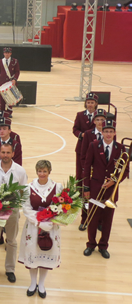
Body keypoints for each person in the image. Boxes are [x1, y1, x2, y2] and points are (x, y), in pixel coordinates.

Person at [83, 119, 129, 259]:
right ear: (102, 132)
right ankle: (91, 244)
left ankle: (103, 246)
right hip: (96, 188)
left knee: (108, 221)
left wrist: (114, 181)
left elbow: (125, 169)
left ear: (115, 133)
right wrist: (86, 188)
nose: (108, 134)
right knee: (93, 219)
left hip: (111, 190)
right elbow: (86, 167)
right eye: (106, 131)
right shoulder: (93, 145)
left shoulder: (121, 148)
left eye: (111, 131)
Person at [0, 143, 28, 283]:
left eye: (8, 153)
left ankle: (10, 269)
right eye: (3, 152)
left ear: (13, 154)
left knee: (11, 241)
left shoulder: (20, 171)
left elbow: (23, 191)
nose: (5, 155)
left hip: (12, 210)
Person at [18, 160, 61, 299]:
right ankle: (32, 283)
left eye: (44, 171)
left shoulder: (57, 187)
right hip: (33, 227)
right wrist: (38, 222)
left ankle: (41, 284)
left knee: (45, 256)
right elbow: (26, 208)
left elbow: (61, 208)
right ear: (36, 171)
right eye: (39, 171)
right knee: (33, 254)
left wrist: (50, 221)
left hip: (51, 227)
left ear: (49, 172)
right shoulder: (28, 188)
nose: (42, 174)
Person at [79, 108, 107, 231]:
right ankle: (84, 219)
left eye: (102, 119)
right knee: (86, 196)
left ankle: (99, 221)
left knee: (101, 196)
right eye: (98, 119)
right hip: (89, 171)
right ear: (94, 121)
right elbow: (83, 154)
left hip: (102, 173)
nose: (100, 122)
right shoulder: (89, 134)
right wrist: (86, 169)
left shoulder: (108, 134)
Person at [73, 92, 98, 192]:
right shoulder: (80, 115)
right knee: (80, 172)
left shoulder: (100, 115)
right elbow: (75, 129)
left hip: (96, 148)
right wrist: (81, 135)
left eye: (92, 102)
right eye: (88, 102)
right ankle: (78, 192)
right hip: (81, 147)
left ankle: (93, 190)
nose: (90, 104)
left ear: (96, 104)